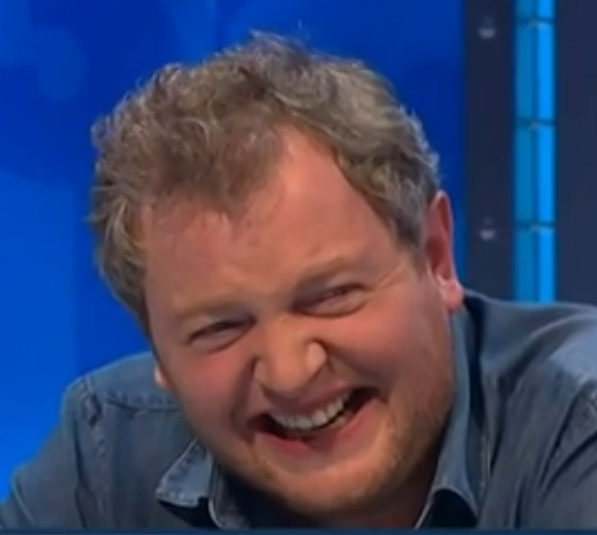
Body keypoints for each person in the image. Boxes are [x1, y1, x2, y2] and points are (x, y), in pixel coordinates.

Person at [2, 33, 597, 529]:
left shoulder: (577, 421)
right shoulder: (105, 452)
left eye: (331, 297)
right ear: (157, 349)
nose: (290, 373)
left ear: (436, 258)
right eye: (220, 328)